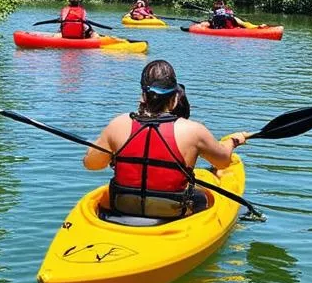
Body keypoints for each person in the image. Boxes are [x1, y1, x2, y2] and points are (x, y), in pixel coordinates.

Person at [83, 60, 251, 220]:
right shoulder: (193, 130)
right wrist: (233, 141)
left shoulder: (117, 124)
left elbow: (91, 164)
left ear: (143, 96)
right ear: (175, 99)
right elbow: (223, 162)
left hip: (123, 208)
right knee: (206, 196)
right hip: (172, 213)